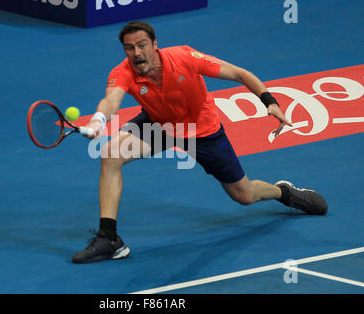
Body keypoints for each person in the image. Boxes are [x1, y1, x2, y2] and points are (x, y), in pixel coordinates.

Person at [71, 21, 328, 264]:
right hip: (160, 125)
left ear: (154, 44)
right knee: (111, 153)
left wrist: (269, 102)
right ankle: (109, 238)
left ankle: (283, 192)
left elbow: (240, 73)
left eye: (142, 45)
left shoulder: (185, 58)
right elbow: (112, 99)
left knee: (245, 195)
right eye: (130, 47)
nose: (136, 52)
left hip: (202, 131)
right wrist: (97, 121)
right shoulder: (123, 72)